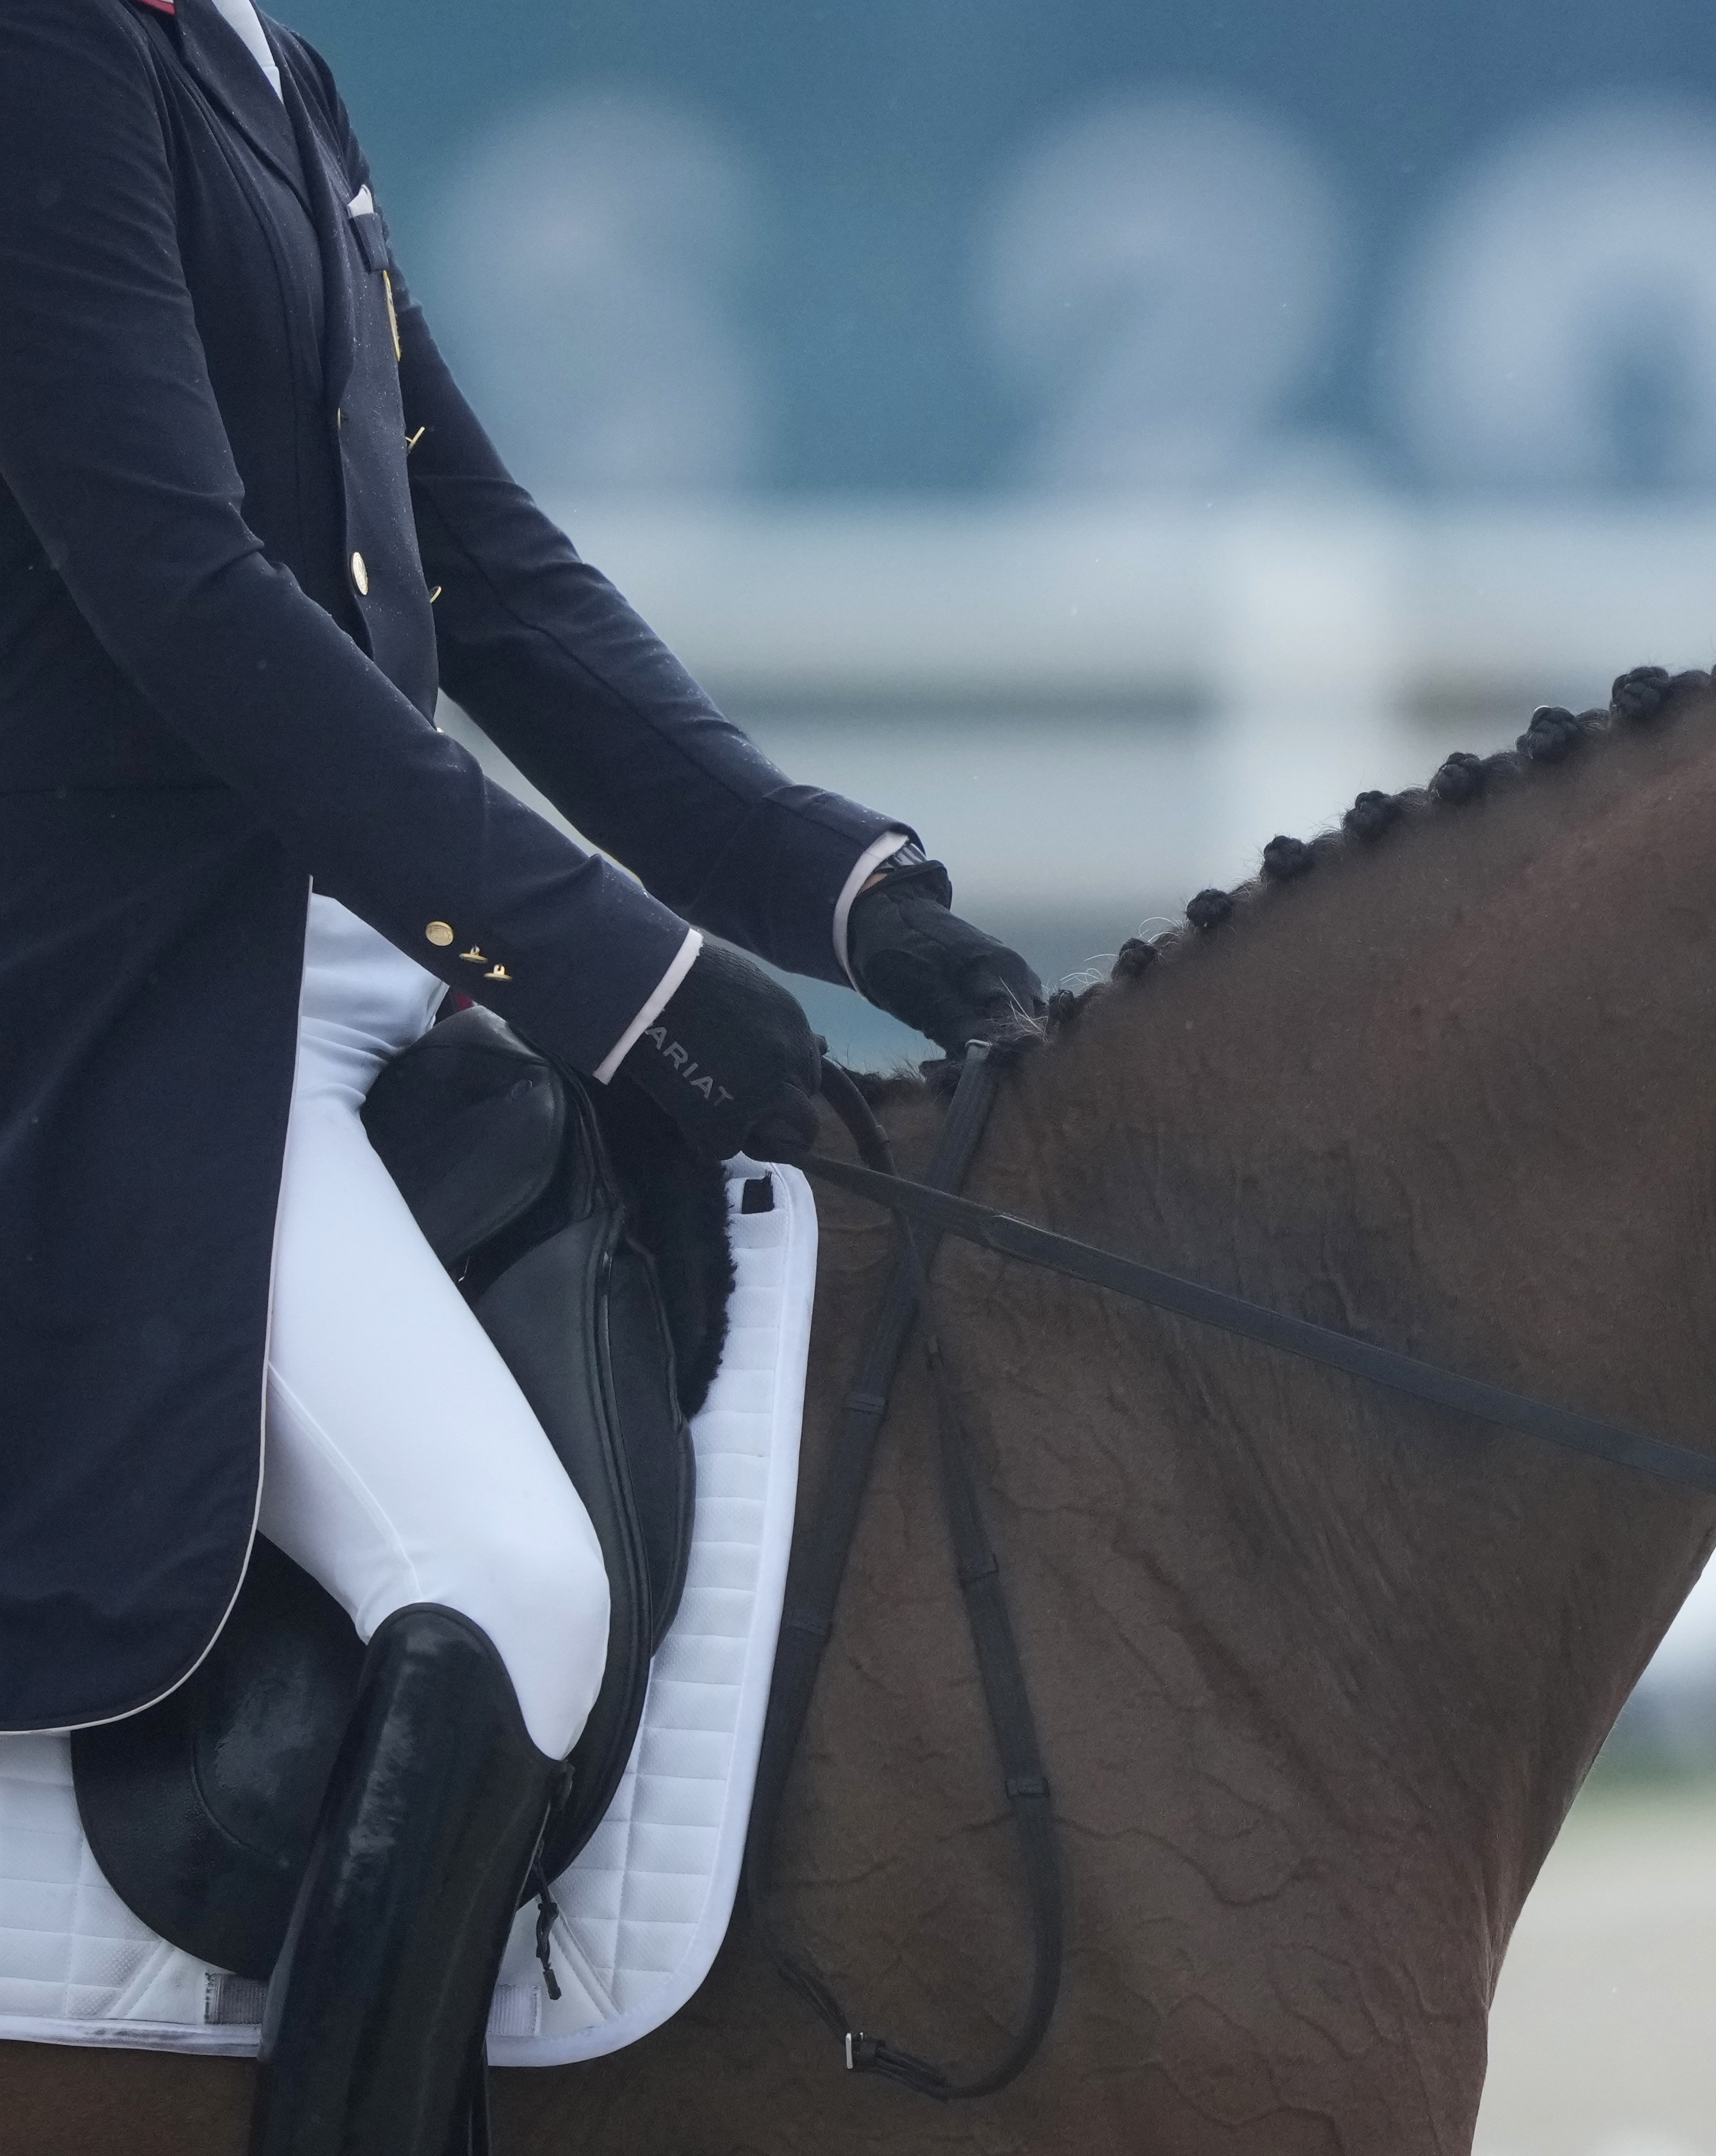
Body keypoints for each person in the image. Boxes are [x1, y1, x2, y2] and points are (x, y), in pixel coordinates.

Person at [0, 0, 1045, 2144]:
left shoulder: (262, 63)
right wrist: (620, 972)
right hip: (136, 1017)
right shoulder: (52, 50)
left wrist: (835, 891)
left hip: (356, 987)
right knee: (503, 1574)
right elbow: (179, 591)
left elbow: (480, 566)